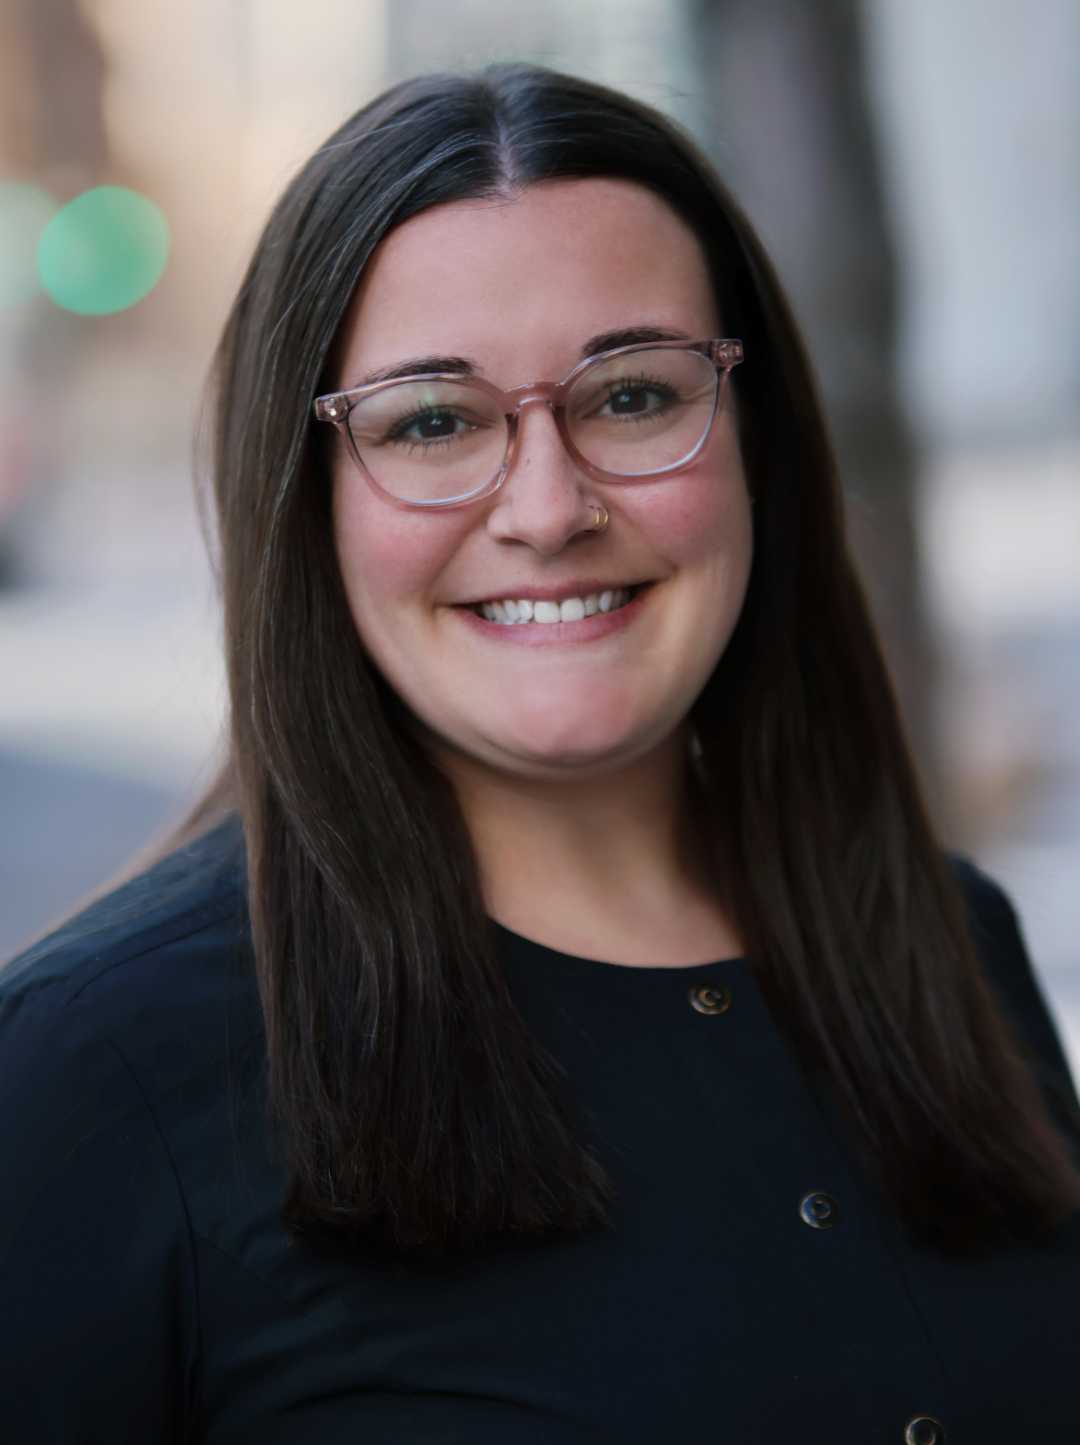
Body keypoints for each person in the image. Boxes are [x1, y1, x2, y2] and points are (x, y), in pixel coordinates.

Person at [2, 63, 1079, 1444]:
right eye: (432, 421)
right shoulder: (95, 1074)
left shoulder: (953, 943)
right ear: (305, 502)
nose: (549, 506)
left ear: (757, 443)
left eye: (630, 396)